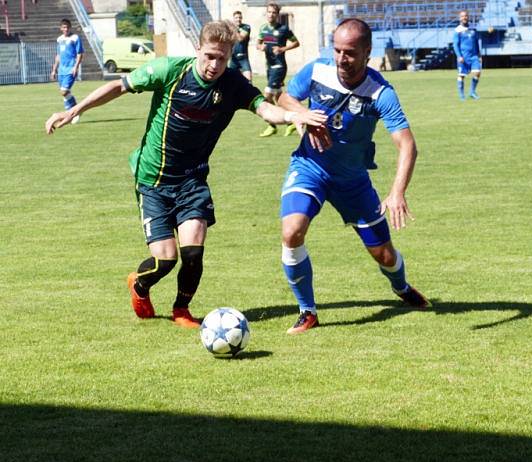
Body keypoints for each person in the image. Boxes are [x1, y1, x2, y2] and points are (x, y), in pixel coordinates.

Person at [45, 20, 329, 328]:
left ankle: (182, 309)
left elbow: (263, 109)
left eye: (222, 58)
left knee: (193, 251)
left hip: (192, 180)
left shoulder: (233, 84)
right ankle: (139, 284)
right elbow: (119, 86)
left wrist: (290, 115)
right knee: (165, 260)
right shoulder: (170, 71)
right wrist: (74, 111)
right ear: (198, 50)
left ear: (230, 55)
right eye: (209, 56)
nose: (214, 64)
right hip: (153, 179)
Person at [276, 18, 431, 335]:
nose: (341, 59)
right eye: (336, 51)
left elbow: (408, 146)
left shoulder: (381, 93)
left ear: (367, 53)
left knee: (385, 256)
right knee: (292, 232)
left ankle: (400, 287)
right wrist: (302, 114)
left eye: (349, 53)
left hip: (353, 181)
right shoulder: (317, 70)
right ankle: (308, 311)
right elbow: (283, 98)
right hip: (310, 167)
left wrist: (397, 192)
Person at [257, 2, 300, 137]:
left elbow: (296, 42)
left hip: (279, 66)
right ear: (266, 13)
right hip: (269, 67)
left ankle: (272, 125)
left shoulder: (284, 29)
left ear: (277, 14)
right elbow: (258, 44)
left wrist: (282, 49)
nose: (271, 14)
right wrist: (260, 47)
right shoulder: (263, 28)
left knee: (266, 96)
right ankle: (290, 122)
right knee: (278, 97)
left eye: (273, 12)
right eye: (269, 12)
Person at [50, 19, 83, 124]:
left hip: (70, 69)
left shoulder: (75, 38)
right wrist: (54, 70)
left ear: (70, 27)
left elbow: (80, 53)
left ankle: (74, 112)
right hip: (61, 71)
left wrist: (76, 67)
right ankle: (73, 113)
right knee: (65, 93)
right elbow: (58, 55)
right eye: (64, 27)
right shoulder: (59, 39)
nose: (66, 29)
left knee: (64, 91)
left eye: (67, 27)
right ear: (61, 28)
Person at [453, 10, 481, 100]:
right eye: (462, 16)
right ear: (460, 18)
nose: (464, 18)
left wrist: (479, 54)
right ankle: (462, 96)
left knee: (477, 72)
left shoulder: (473, 28)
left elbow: (476, 42)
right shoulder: (457, 30)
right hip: (463, 57)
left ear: (468, 17)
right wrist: (459, 56)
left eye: (466, 16)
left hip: (474, 56)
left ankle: (472, 92)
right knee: (461, 75)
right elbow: (455, 44)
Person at [230, 10, 252, 81]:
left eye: (240, 17)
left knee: (248, 80)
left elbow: (240, 39)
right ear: (233, 19)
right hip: (233, 59)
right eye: (236, 18)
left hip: (243, 58)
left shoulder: (246, 27)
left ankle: (249, 92)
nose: (238, 19)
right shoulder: (230, 29)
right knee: (230, 81)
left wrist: (234, 29)